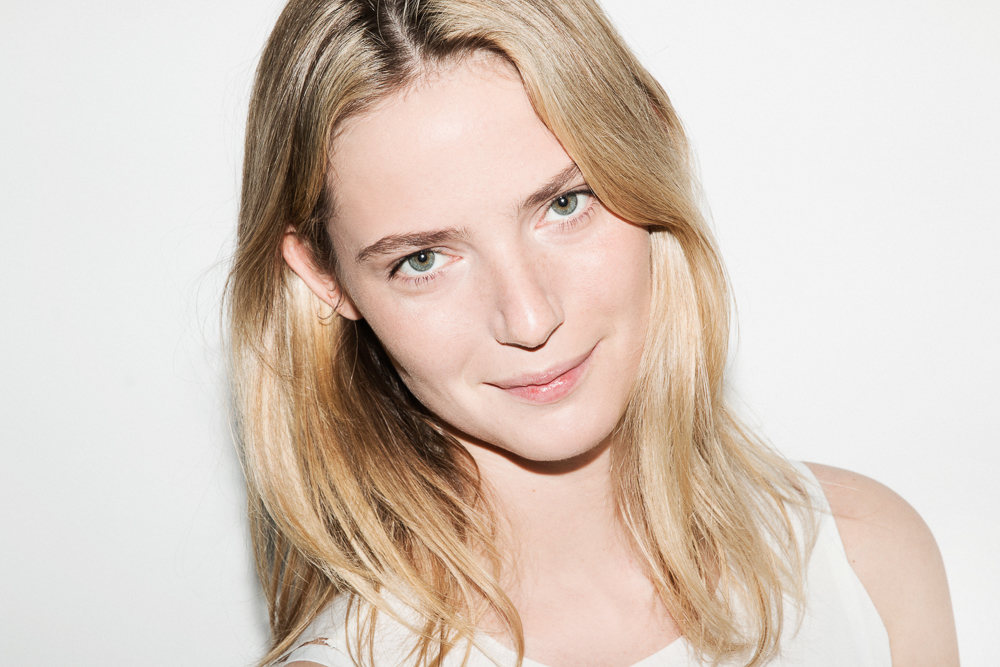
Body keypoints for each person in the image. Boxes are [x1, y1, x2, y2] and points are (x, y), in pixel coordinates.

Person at [226, 0, 959, 665]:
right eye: (423, 259)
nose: (530, 318)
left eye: (566, 204)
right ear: (323, 276)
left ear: (645, 156)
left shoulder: (864, 560)